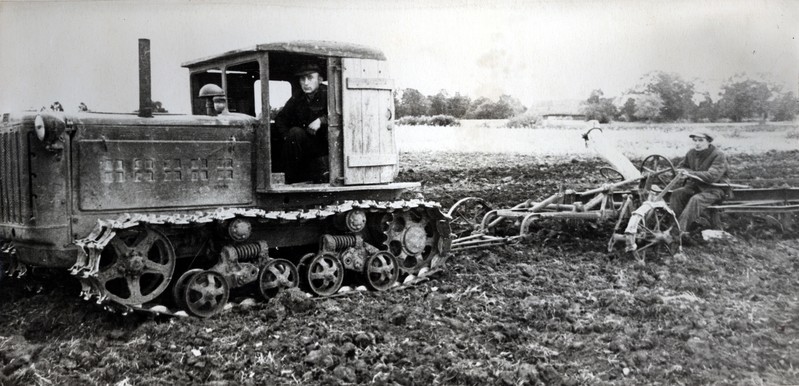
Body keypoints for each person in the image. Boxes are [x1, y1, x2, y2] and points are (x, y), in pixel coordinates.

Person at [274, 62, 329, 183]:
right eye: (302, 79)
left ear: (320, 79)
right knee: (294, 133)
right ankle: (291, 181)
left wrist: (322, 120)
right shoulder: (298, 96)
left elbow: (343, 116)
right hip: (306, 143)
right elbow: (281, 119)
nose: (306, 82)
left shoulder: (329, 94)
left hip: (325, 145)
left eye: (310, 78)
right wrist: (286, 137)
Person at [669, 131, 730, 239]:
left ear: (709, 142)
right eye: (695, 140)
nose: (697, 143)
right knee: (676, 194)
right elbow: (682, 166)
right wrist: (683, 172)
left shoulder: (718, 155)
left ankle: (678, 232)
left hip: (715, 189)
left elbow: (712, 176)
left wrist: (690, 174)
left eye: (701, 140)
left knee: (696, 200)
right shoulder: (691, 153)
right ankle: (677, 224)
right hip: (695, 186)